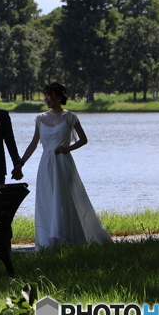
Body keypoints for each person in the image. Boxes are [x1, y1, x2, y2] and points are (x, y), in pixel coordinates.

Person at [17, 82, 111, 248]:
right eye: (45, 95)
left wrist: (67, 148)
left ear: (59, 97)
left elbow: (83, 139)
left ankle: (70, 238)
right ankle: (49, 241)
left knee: (64, 200)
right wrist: (21, 163)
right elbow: (33, 144)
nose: (47, 99)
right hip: (46, 165)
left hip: (63, 163)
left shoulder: (70, 117)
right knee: (48, 200)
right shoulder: (40, 119)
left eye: (50, 95)